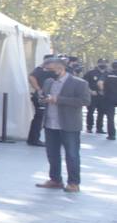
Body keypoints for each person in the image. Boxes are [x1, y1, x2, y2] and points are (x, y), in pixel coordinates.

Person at [35, 54, 90, 193]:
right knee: (52, 154)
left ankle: (73, 182)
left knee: (71, 154)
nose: (46, 72)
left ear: (59, 68)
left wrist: (58, 99)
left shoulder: (79, 83)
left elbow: (84, 101)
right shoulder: (48, 82)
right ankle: (55, 179)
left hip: (69, 125)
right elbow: (44, 97)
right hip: (50, 123)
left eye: (49, 69)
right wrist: (42, 98)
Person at [27, 56, 56, 146]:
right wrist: (38, 89)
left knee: (39, 118)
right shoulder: (40, 69)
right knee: (39, 119)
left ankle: (33, 138)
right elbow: (31, 77)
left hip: (44, 96)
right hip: (41, 97)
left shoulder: (49, 70)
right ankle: (34, 139)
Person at [85, 57, 111, 137]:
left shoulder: (108, 73)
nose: (103, 64)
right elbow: (84, 83)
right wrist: (90, 91)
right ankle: (89, 127)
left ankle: (99, 128)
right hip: (93, 95)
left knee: (101, 113)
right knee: (90, 112)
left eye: (105, 63)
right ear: (98, 64)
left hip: (103, 96)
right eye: (101, 63)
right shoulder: (90, 73)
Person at [97, 59, 116, 141]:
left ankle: (111, 135)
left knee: (110, 117)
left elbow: (100, 83)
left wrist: (102, 91)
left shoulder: (107, 74)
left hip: (109, 97)